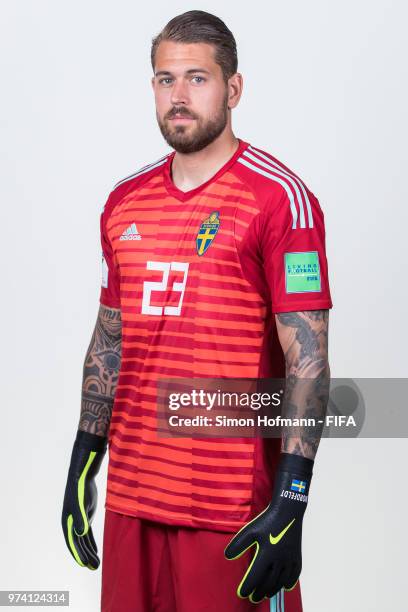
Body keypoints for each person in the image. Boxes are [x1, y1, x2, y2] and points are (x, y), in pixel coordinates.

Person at [62, 10, 332, 612]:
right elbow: (110, 340)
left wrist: (292, 499)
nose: (178, 97)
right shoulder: (123, 202)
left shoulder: (281, 199)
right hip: (132, 499)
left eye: (197, 78)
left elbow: (308, 361)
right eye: (165, 80)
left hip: (230, 509)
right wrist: (84, 459)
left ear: (233, 89)